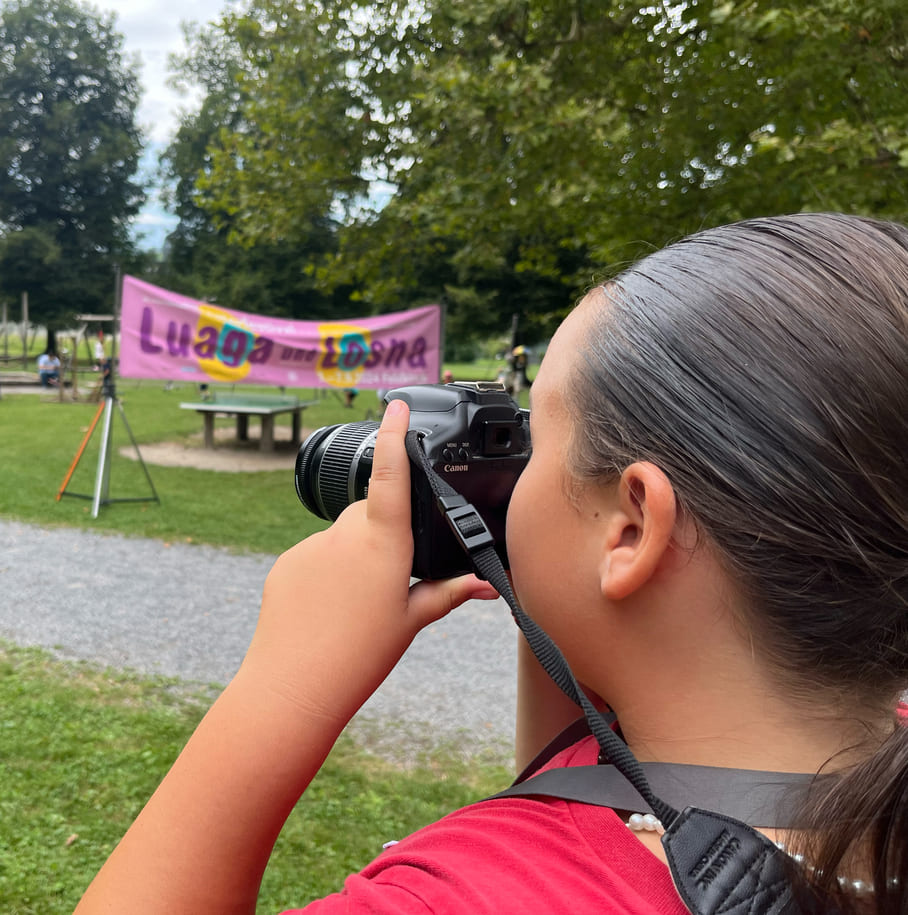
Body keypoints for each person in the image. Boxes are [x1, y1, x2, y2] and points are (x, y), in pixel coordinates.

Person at [75, 214, 908, 914]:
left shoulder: (470, 895)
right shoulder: (874, 756)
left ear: (631, 528)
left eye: (533, 441)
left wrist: (280, 689)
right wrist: (545, 570)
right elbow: (577, 767)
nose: (512, 478)